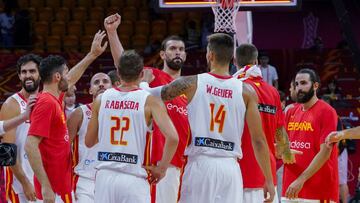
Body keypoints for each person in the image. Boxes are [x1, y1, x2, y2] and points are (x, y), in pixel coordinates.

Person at [144, 33, 275, 203]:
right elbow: (259, 141)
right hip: (230, 169)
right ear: (231, 58)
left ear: (210, 55)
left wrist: (144, 83)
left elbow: (152, 95)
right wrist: (269, 180)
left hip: (201, 165)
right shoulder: (247, 92)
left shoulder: (191, 83)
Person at [104, 14, 190, 203]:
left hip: (179, 164)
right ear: (162, 54)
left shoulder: (188, 88)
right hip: (154, 162)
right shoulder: (153, 76)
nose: (177, 52)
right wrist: (112, 33)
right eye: (172, 48)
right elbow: (124, 64)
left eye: (181, 49)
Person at [24, 30, 108, 203]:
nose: (68, 76)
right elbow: (30, 145)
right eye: (65, 72)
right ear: (57, 77)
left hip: (61, 186)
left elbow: (71, 79)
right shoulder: (46, 103)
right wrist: (46, 186)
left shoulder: (55, 97)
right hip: (51, 190)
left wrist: (92, 55)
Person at [85, 50, 179, 203]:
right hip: (133, 178)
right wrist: (161, 169)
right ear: (142, 74)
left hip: (105, 178)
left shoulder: (101, 99)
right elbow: (173, 138)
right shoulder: (150, 101)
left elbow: (89, 141)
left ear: (118, 73)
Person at [233, 43, 296, 203]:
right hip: (267, 176)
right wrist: (287, 155)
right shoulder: (273, 92)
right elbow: (280, 132)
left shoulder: (234, 87)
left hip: (238, 174)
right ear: (256, 62)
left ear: (235, 62)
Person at [282, 68, 339, 202]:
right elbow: (281, 139)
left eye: (303, 83)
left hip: (318, 190)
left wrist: (300, 180)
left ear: (315, 86)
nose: (299, 88)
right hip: (290, 188)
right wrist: (284, 151)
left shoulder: (327, 112)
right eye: (296, 84)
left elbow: (325, 153)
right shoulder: (290, 111)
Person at [0, 53, 42, 203]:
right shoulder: (12, 104)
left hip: (43, 179)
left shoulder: (46, 102)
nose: (28, 75)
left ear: (40, 74)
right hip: (21, 184)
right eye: (24, 72)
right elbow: (6, 152)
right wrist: (25, 182)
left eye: (32, 71)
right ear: (19, 76)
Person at [67, 73, 112, 203]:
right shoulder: (79, 113)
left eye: (105, 81)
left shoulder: (121, 112)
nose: (101, 84)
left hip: (111, 179)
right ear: (90, 90)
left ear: (113, 87)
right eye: (96, 82)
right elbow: (63, 148)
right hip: (85, 180)